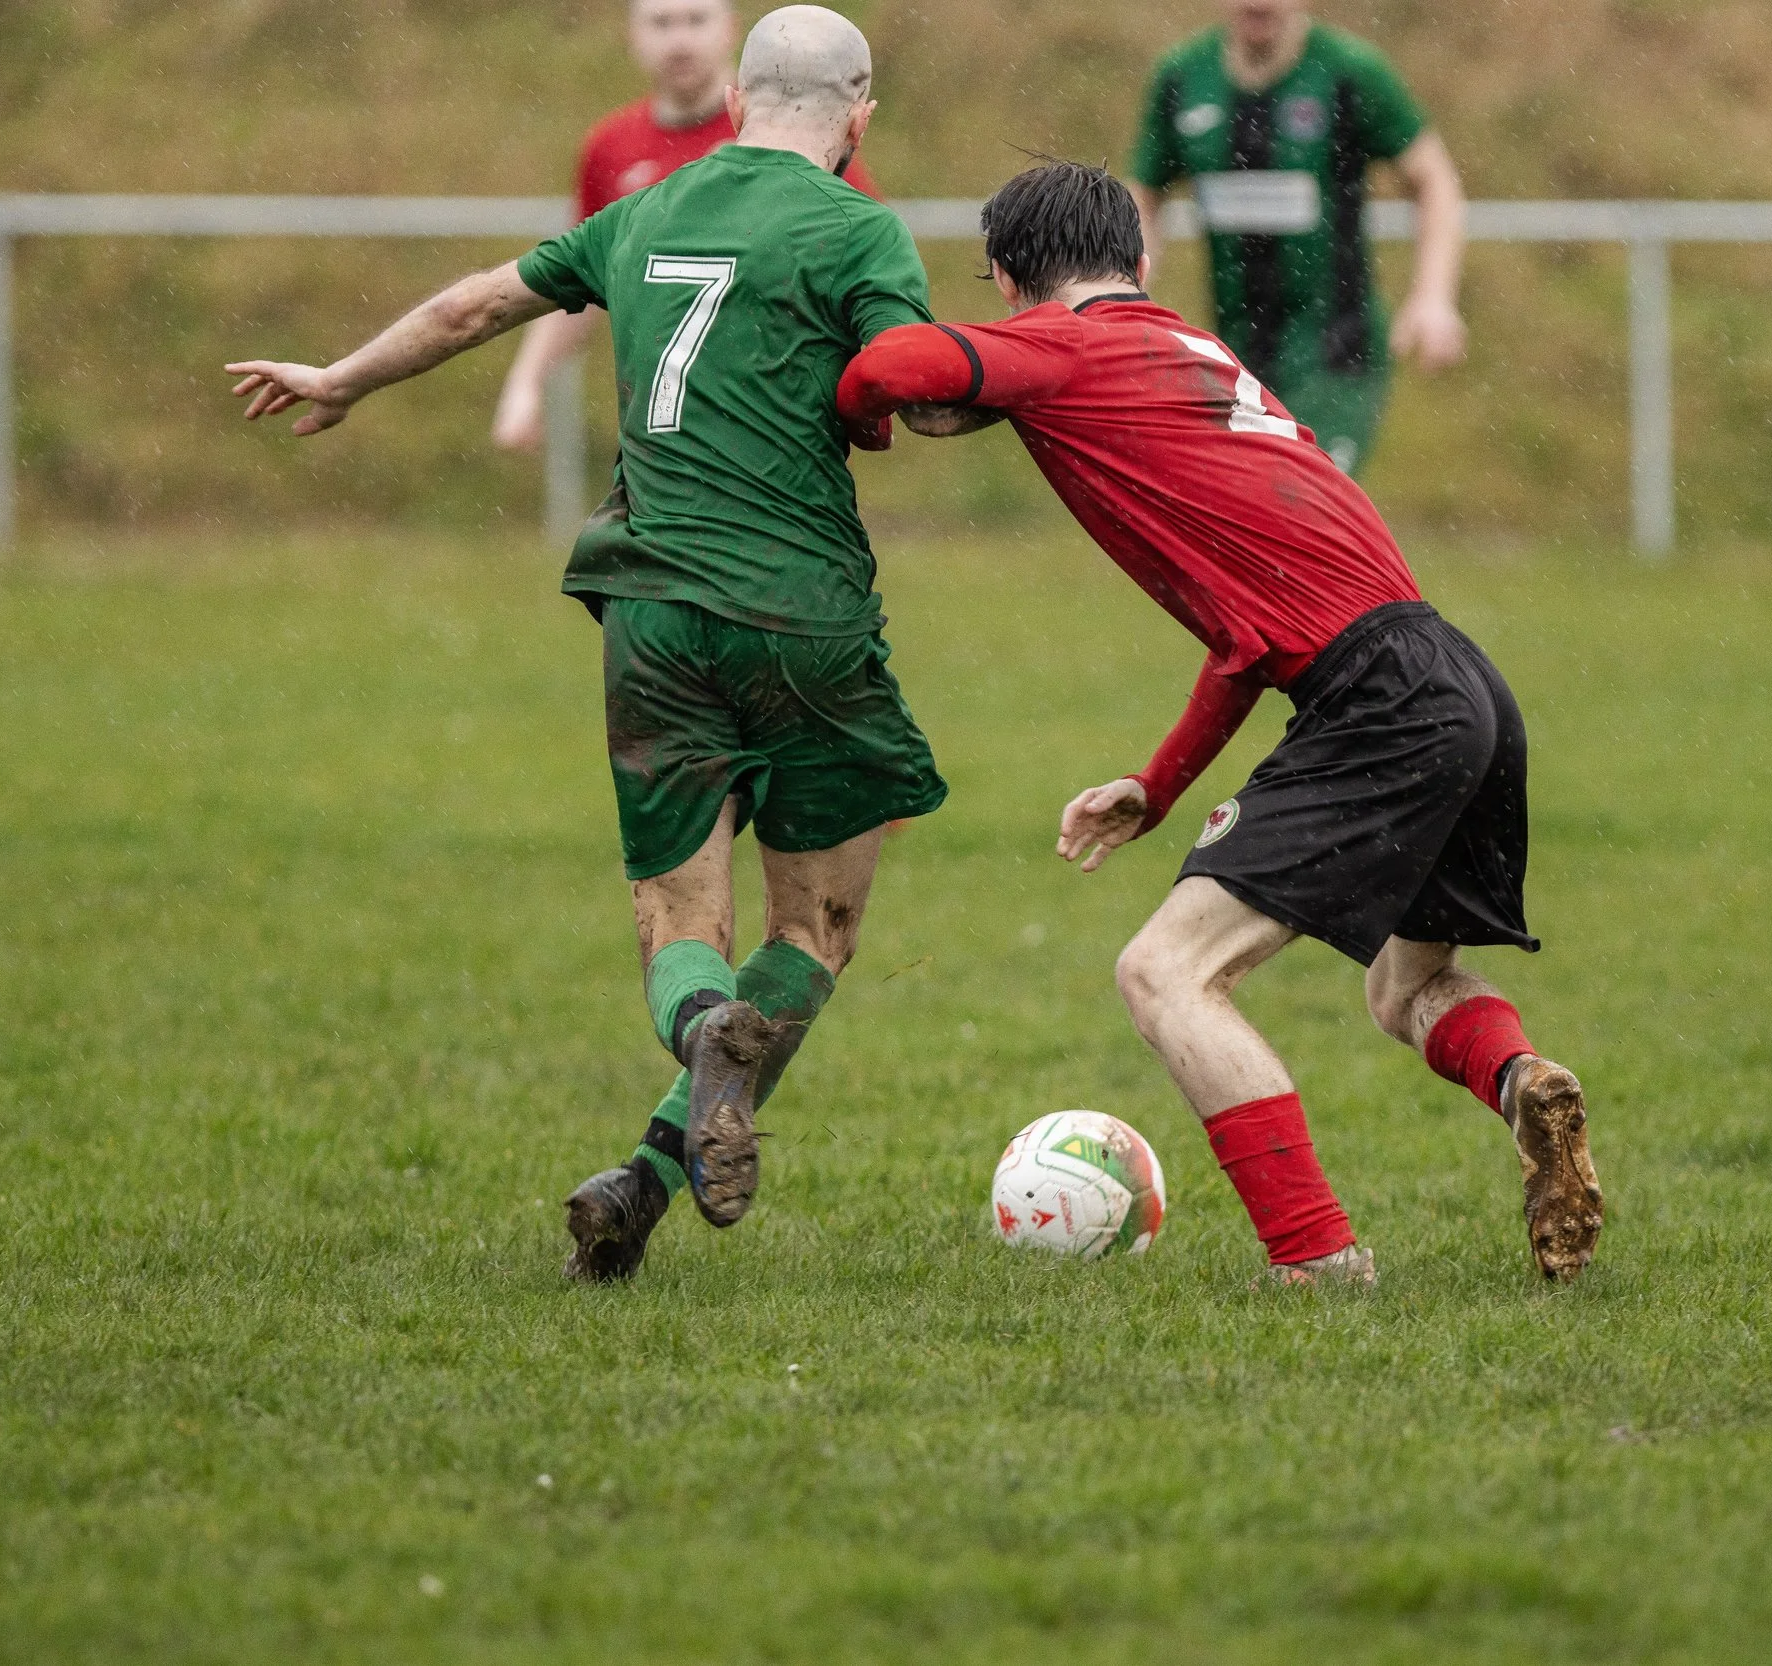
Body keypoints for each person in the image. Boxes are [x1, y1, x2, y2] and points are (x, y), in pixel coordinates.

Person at [226, 7, 944, 1283]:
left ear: (733, 100)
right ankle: (689, 1115)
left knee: (680, 914)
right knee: (817, 924)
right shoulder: (859, 225)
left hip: (650, 612)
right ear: (860, 114)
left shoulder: (645, 210)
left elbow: (472, 306)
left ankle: (645, 1178)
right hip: (801, 613)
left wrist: (341, 375)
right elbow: (918, 388)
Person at [836, 163, 1600, 1286]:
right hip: (1455, 678)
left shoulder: (1062, 345)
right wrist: (1158, 783)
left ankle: (1317, 1259)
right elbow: (1245, 639)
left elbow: (886, 364)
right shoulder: (1188, 353)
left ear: (1005, 279)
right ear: (1140, 262)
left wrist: (871, 423)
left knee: (1165, 974)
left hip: (1377, 700)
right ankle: (1523, 1078)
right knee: (1405, 989)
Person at [491, 0, 883, 453]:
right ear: (633, 35)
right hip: (660, 422)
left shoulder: (792, 131)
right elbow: (576, 271)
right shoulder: (612, 147)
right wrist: (525, 382)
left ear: (730, 29)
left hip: (775, 424)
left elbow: (861, 253)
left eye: (696, 20)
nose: (679, 41)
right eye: (662, 23)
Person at [1127, 0, 1466, 479]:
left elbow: (1434, 178)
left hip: (1336, 354)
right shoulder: (1183, 77)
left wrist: (1434, 297)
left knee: (1300, 499)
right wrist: (1125, 293)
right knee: (1243, 522)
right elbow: (1143, 196)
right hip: (1233, 359)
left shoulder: (1350, 72)